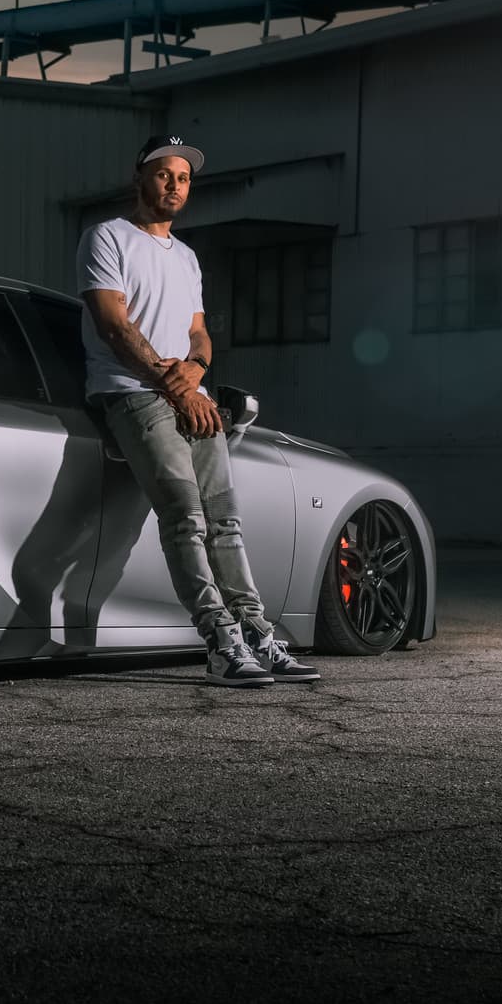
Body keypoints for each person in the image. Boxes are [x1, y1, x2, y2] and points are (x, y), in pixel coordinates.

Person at [78, 134, 321, 688]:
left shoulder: (186, 257)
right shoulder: (107, 238)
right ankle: (219, 641)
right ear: (140, 176)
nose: (175, 185)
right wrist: (178, 388)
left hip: (193, 400)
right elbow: (114, 326)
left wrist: (198, 373)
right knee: (185, 517)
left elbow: (197, 334)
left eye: (184, 178)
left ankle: (257, 633)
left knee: (224, 523)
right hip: (132, 394)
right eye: (165, 174)